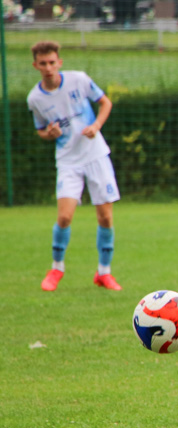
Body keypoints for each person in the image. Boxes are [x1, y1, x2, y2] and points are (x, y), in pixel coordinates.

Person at [27, 41, 122, 292]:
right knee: (65, 216)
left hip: (96, 155)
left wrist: (96, 126)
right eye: (43, 63)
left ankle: (104, 273)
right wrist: (50, 133)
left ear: (59, 62)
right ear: (35, 65)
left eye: (52, 62)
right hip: (68, 161)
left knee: (105, 216)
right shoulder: (35, 99)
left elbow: (105, 103)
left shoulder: (79, 80)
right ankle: (57, 268)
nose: (48, 68)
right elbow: (41, 131)